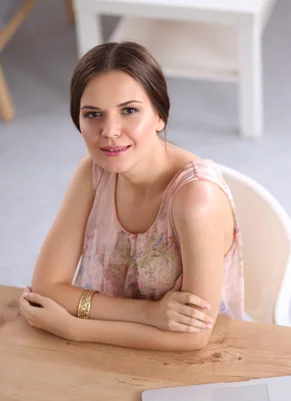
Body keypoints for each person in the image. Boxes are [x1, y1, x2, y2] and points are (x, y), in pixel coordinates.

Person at [19, 41, 244, 351]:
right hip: (111, 349)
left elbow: (194, 336)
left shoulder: (195, 200)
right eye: (93, 114)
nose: (110, 131)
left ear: (160, 115)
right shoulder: (93, 172)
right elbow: (46, 287)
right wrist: (150, 314)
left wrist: (76, 327)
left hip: (189, 363)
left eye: (129, 111)